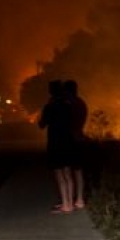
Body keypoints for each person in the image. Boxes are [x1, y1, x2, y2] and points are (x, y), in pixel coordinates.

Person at [38, 80, 76, 214]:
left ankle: (65, 205)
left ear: (50, 91)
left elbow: (41, 124)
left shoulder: (49, 107)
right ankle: (70, 203)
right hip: (68, 140)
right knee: (68, 173)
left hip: (55, 141)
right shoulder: (68, 105)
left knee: (59, 174)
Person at [63, 79, 88, 209]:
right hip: (79, 138)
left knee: (67, 170)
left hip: (70, 139)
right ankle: (79, 199)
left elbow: (67, 122)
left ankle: (69, 200)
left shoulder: (68, 105)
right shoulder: (81, 103)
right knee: (78, 171)